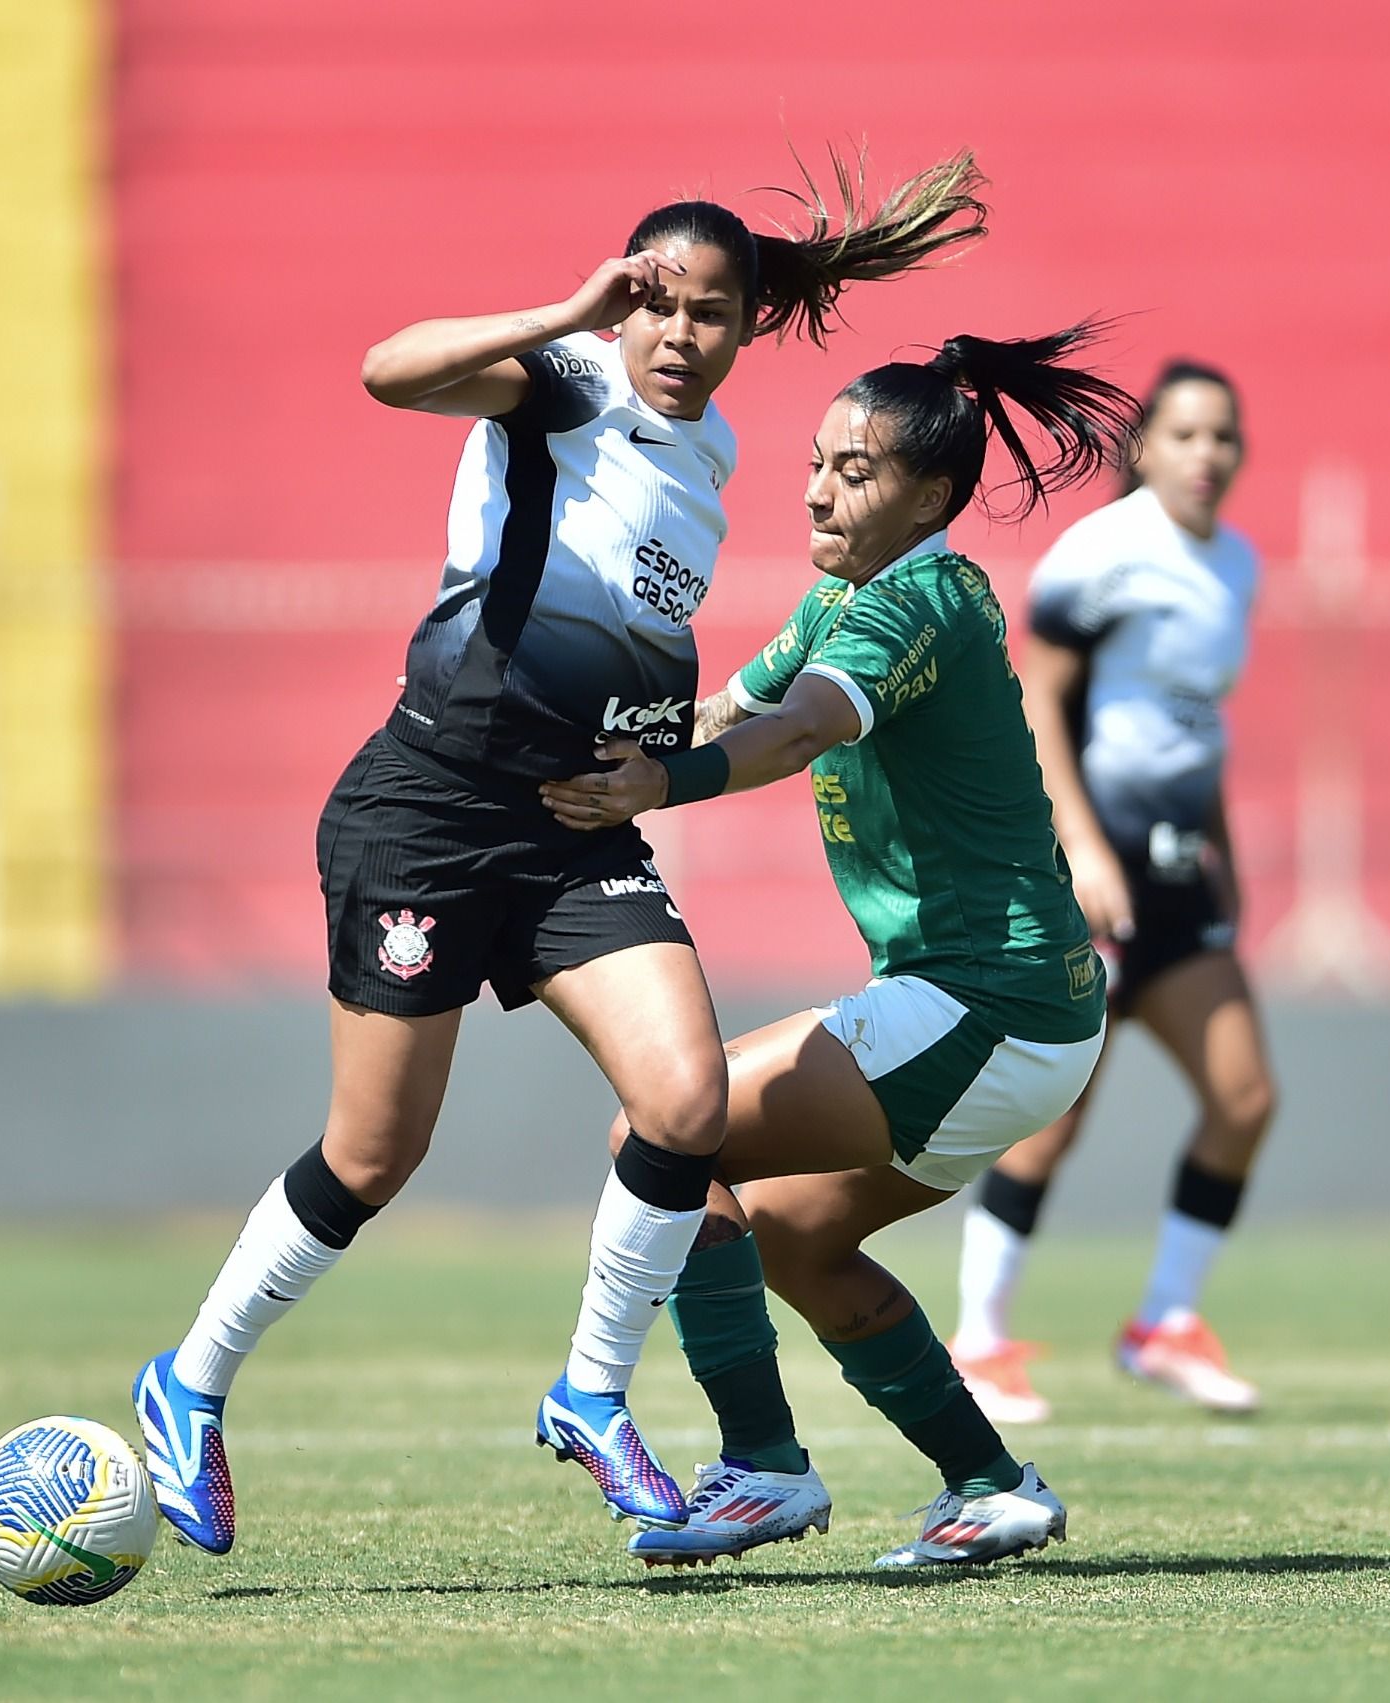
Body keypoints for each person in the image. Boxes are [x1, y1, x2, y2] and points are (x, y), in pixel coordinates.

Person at [132, 154, 988, 1554]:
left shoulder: (709, 455)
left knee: (687, 1096)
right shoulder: (564, 381)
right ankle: (190, 1377)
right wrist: (563, 309)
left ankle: (592, 1390)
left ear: (747, 328)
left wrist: (668, 748)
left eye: (711, 311)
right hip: (428, 806)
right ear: (619, 303)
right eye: (654, 302)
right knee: (373, 1151)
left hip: (578, 825)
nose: (676, 332)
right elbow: (385, 371)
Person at [537, 324, 1140, 1567]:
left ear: (929, 494)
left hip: (988, 1005)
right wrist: (592, 753)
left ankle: (759, 1466)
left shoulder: (913, 598)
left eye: (855, 471)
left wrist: (661, 783)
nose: (817, 487)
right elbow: (735, 707)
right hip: (1019, 1018)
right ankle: (990, 1482)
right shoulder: (848, 597)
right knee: (795, 1232)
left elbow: (803, 726)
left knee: (665, 1122)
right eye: (816, 461)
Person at [945, 358, 1275, 1422]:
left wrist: (1226, 856)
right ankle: (978, 1341)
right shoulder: (1102, 554)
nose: (1206, 455)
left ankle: (1163, 1320)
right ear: (1142, 449)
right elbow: (1037, 701)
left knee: (1243, 1098)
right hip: (1092, 873)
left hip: (1179, 878)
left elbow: (1197, 729)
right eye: (1184, 434)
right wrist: (1079, 849)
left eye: (1222, 436)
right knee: (1055, 1116)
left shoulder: (1237, 568)